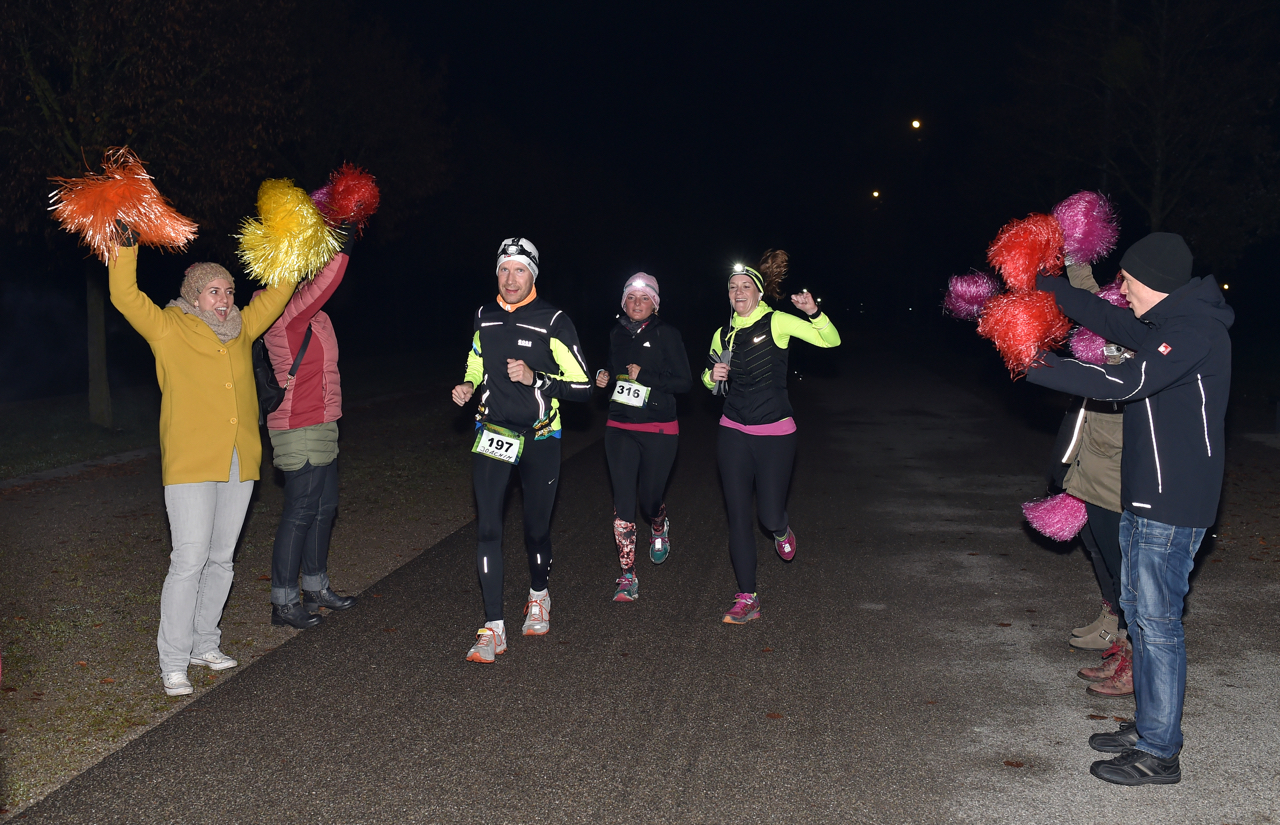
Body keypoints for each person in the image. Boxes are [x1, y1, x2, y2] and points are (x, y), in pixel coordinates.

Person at [1029, 232, 1233, 786]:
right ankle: (1149, 726)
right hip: (1146, 496)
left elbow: (1127, 380)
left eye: (1128, 280)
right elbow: (1111, 322)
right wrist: (1044, 287)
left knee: (1158, 625)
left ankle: (1160, 752)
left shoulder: (1195, 331)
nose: (1121, 288)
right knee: (1141, 620)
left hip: (1173, 504)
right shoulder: (1169, 324)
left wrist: (1037, 361)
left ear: (1155, 285)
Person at [108, 231, 295, 696]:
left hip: (238, 459)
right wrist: (125, 245)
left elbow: (278, 293)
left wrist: (295, 249)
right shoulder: (168, 327)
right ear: (195, 294)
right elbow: (124, 295)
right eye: (216, 291)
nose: (226, 299)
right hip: (192, 461)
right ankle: (172, 660)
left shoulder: (241, 328)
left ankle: (204, 643)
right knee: (189, 558)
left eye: (230, 291)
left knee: (221, 559)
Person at [451, 238, 592, 663]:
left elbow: (583, 387)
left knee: (535, 529)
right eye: (504, 270)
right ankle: (493, 627)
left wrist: (537, 379)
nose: (511, 279)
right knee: (488, 528)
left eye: (520, 270)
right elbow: (477, 359)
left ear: (533, 274)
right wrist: (469, 383)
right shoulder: (483, 316)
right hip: (492, 432)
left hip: (541, 437)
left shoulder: (554, 320)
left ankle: (538, 595)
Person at [702, 250, 840, 624]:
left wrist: (814, 313)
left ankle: (781, 528)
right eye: (733, 287)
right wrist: (710, 377)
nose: (738, 292)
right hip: (732, 430)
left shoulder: (778, 322)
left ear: (759, 294)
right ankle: (748, 597)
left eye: (746, 286)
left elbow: (831, 341)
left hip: (775, 432)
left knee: (767, 515)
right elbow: (708, 376)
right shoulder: (721, 332)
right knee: (737, 517)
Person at [263, 233, 358, 629]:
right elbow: (327, 281)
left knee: (324, 508)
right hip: (296, 425)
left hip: (323, 423)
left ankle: (316, 588)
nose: (307, 274)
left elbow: (319, 290)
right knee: (301, 511)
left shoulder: (317, 316)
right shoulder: (282, 316)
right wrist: (345, 240)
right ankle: (283, 602)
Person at [594, 273, 692, 602]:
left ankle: (659, 524)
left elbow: (684, 382)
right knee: (623, 505)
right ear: (624, 302)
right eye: (631, 298)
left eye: (644, 298)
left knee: (648, 501)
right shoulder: (616, 333)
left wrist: (645, 376)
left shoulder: (668, 334)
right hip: (620, 425)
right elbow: (613, 366)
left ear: (654, 303)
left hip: (659, 427)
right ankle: (627, 576)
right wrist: (603, 376)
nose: (637, 304)